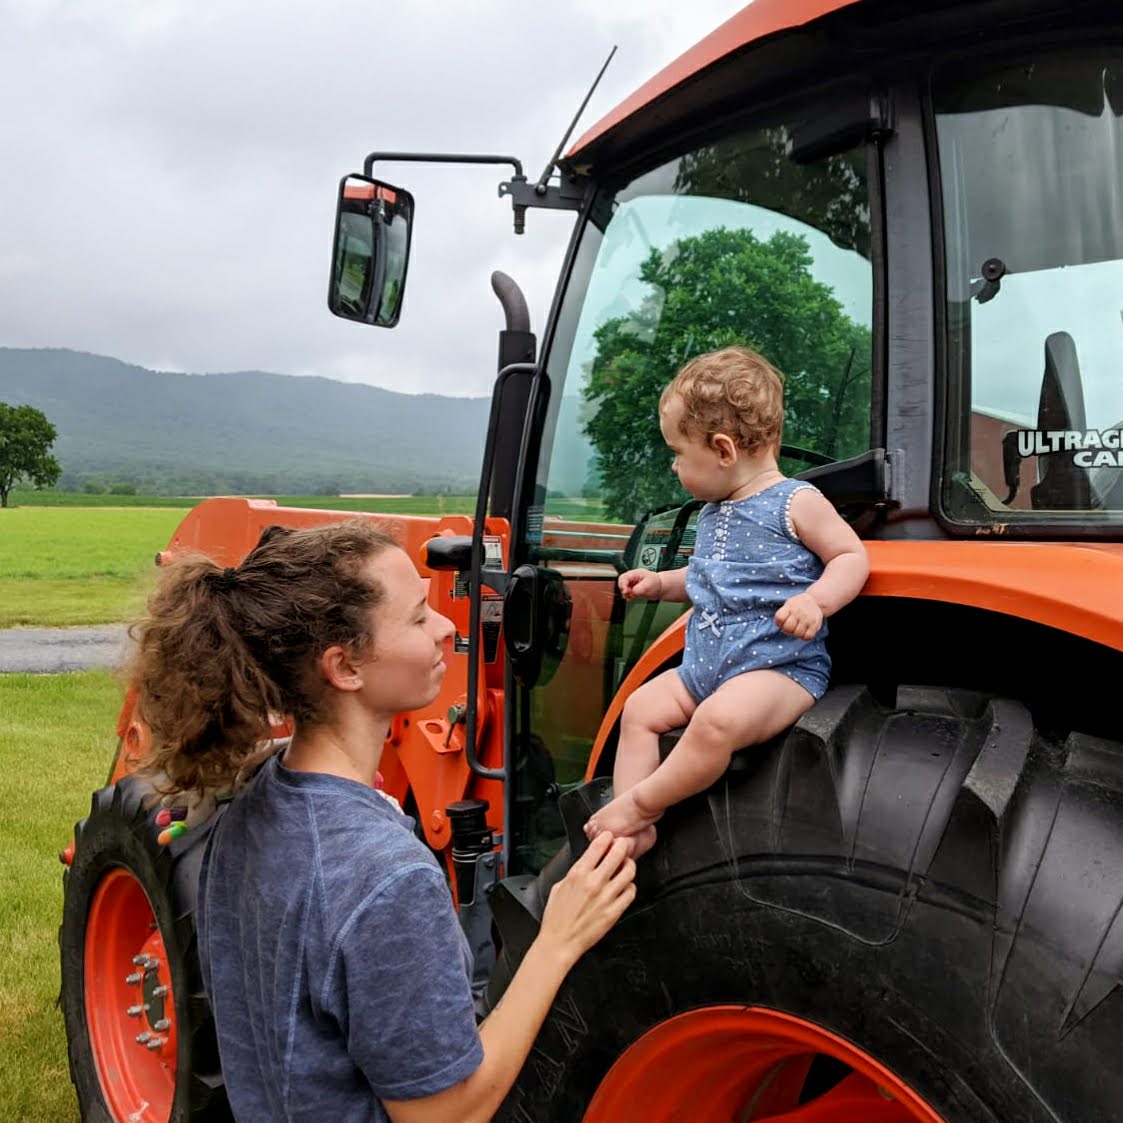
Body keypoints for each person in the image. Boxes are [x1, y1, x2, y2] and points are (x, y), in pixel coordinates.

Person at [129, 519, 636, 1123]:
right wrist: (556, 941)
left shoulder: (246, 805)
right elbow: (445, 1114)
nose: (448, 628)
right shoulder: (385, 876)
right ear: (344, 668)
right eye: (420, 617)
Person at [585, 346, 869, 858]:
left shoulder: (795, 502)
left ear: (722, 450)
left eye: (678, 453)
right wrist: (659, 583)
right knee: (640, 709)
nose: (674, 467)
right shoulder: (715, 511)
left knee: (713, 724)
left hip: (779, 670)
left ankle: (643, 805)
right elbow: (705, 579)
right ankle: (631, 824)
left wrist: (816, 601)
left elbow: (851, 556)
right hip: (707, 667)